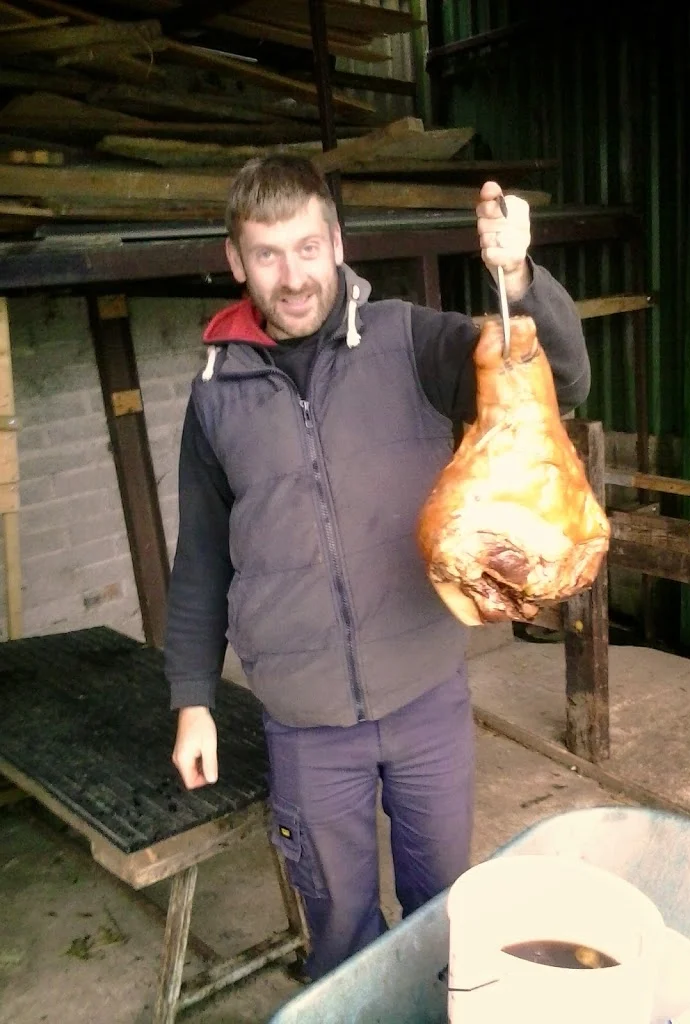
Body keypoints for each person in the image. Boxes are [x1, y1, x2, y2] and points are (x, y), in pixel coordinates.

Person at [165, 155, 590, 982]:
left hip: (426, 698)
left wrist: (522, 278)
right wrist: (193, 701)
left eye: (308, 247)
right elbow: (202, 559)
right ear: (235, 260)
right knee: (341, 930)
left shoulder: (408, 340)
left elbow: (561, 380)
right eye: (268, 254)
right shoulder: (216, 393)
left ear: (337, 241)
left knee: (446, 916)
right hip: (305, 725)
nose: (293, 277)